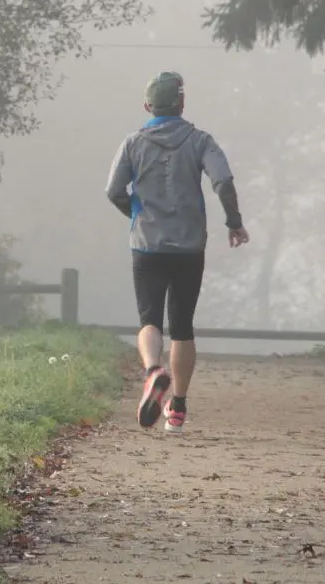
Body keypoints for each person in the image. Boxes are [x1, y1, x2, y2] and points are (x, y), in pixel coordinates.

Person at [104, 71, 249, 433]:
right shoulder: (200, 141)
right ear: (182, 103)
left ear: (147, 106)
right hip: (188, 246)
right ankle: (178, 407)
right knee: (182, 326)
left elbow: (113, 190)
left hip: (147, 244)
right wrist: (234, 222)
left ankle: (153, 369)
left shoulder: (132, 142)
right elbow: (223, 181)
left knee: (149, 318)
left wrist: (137, 214)